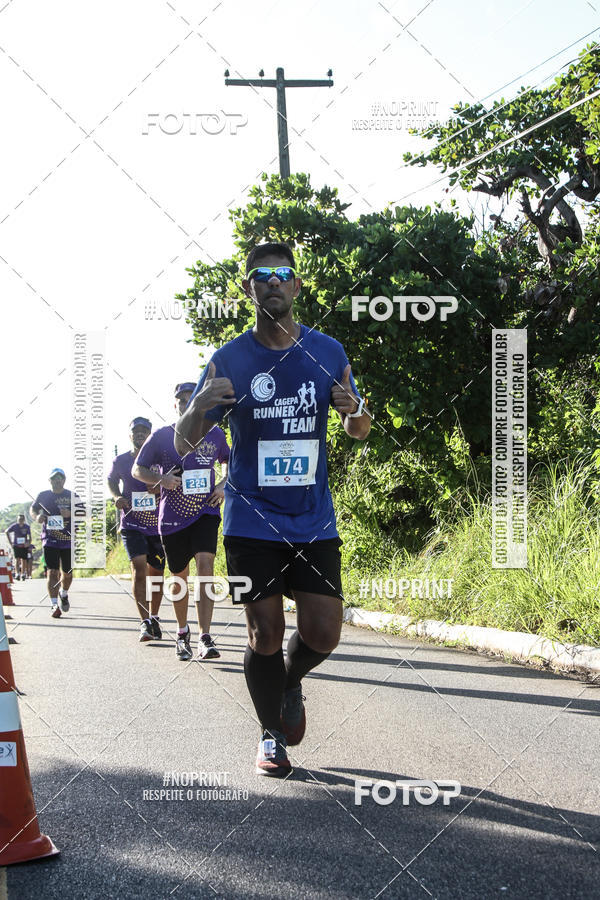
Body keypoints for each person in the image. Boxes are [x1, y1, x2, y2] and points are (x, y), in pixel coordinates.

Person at [175, 242, 371, 776]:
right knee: (262, 631)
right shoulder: (228, 360)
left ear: (297, 285)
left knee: (324, 631)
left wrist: (356, 411)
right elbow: (187, 440)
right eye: (262, 276)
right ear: (249, 289)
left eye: (283, 274)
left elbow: (359, 428)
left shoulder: (328, 352)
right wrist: (195, 408)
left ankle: (289, 679)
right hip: (249, 518)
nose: (274, 282)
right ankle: (269, 736)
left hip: (312, 518)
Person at [133, 383, 230, 661]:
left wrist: (223, 483)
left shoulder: (214, 434)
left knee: (205, 565)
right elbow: (137, 469)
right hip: (172, 519)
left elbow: (228, 460)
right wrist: (161, 479)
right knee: (179, 577)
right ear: (175, 405)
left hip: (205, 512)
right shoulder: (162, 437)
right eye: (181, 401)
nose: (186, 405)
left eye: (192, 400)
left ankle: (205, 636)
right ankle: (182, 631)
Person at [108, 417, 166, 643]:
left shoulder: (160, 458)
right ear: (129, 435)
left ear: (150, 434)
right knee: (139, 568)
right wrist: (117, 497)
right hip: (132, 524)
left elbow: (173, 478)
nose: (140, 434)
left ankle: (155, 617)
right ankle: (144, 622)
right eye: (136, 431)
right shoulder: (121, 460)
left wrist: (162, 489)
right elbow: (111, 480)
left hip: (159, 525)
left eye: (145, 431)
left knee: (157, 574)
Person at [30, 469, 77, 617]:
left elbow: (84, 512)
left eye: (60, 478)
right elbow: (33, 509)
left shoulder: (72, 495)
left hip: (68, 540)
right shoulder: (43, 495)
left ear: (64, 480)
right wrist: (37, 517)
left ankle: (64, 593)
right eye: (54, 478)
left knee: (67, 573)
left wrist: (70, 513)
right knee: (52, 572)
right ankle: (53, 604)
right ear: (49, 480)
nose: (58, 481)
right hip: (50, 540)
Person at [6, 514, 31, 580]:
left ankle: (23, 573)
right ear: (17, 520)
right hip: (16, 545)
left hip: (24, 545)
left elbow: (29, 536)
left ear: (24, 520)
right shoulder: (14, 526)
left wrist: (28, 543)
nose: (21, 520)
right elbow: (7, 531)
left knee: (24, 560)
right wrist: (10, 542)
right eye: (19, 519)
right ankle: (17, 573)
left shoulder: (27, 526)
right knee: (17, 559)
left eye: (22, 519)